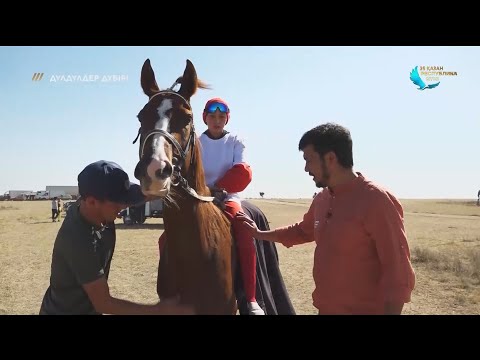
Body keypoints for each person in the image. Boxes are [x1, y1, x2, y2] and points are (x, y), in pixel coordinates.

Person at [237, 123, 416, 315]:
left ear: (330, 158)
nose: (306, 168)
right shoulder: (323, 198)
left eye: (309, 160)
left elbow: (397, 273)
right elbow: (302, 231)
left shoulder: (377, 200)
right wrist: (259, 234)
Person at [39, 160, 195, 315]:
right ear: (92, 202)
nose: (125, 206)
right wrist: (161, 310)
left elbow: (146, 194)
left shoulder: (95, 203)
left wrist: (173, 182)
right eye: (118, 203)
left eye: (125, 199)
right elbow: (104, 304)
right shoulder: (78, 240)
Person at [158, 97, 264, 315]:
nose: (217, 121)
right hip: (199, 197)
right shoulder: (194, 141)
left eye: (221, 117)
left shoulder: (236, 140)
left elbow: (243, 171)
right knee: (165, 239)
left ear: (227, 118)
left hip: (228, 197)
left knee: (244, 232)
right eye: (212, 117)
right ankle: (170, 290)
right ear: (205, 118)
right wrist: (203, 191)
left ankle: (250, 298)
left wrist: (218, 187)